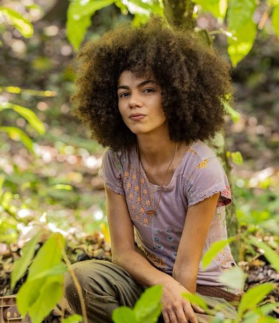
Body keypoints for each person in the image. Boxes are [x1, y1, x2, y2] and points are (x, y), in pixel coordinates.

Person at [63, 16, 243, 323]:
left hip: (207, 296)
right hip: (150, 282)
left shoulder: (202, 168)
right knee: (79, 280)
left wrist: (173, 302)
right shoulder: (117, 160)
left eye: (148, 90)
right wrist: (160, 286)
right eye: (124, 93)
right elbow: (122, 252)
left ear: (174, 94)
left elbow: (186, 268)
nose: (134, 102)